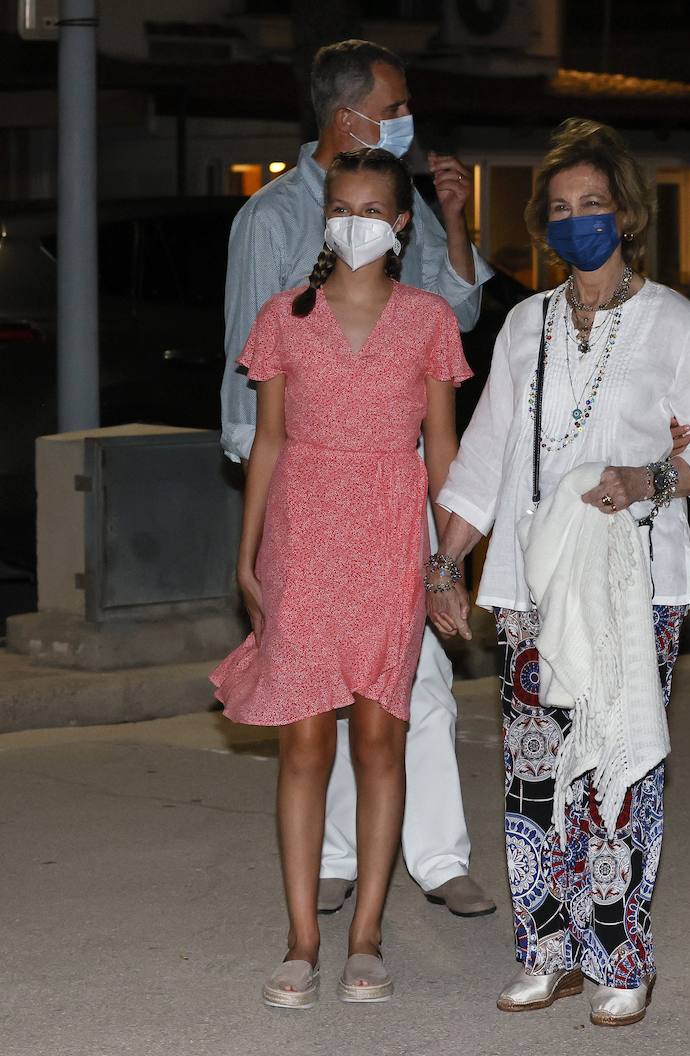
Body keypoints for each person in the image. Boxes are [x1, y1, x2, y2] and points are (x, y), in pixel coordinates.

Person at [425, 118, 690, 1027]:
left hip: (633, 584)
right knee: (532, 775)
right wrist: (446, 561)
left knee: (618, 768)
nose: (577, 222)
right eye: (560, 209)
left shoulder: (675, 321)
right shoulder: (526, 324)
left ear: (626, 215)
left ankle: (621, 956)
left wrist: (648, 479)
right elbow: (484, 458)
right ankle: (545, 949)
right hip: (531, 583)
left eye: (592, 205)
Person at [219, 38, 497, 919]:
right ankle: (334, 859)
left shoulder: (402, 198)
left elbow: (446, 323)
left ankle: (436, 856)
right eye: (395, 101)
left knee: (412, 692)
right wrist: (263, 527)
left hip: (392, 484)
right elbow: (258, 376)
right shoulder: (271, 219)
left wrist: (451, 219)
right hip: (309, 484)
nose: (408, 115)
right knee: (320, 700)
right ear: (347, 116)